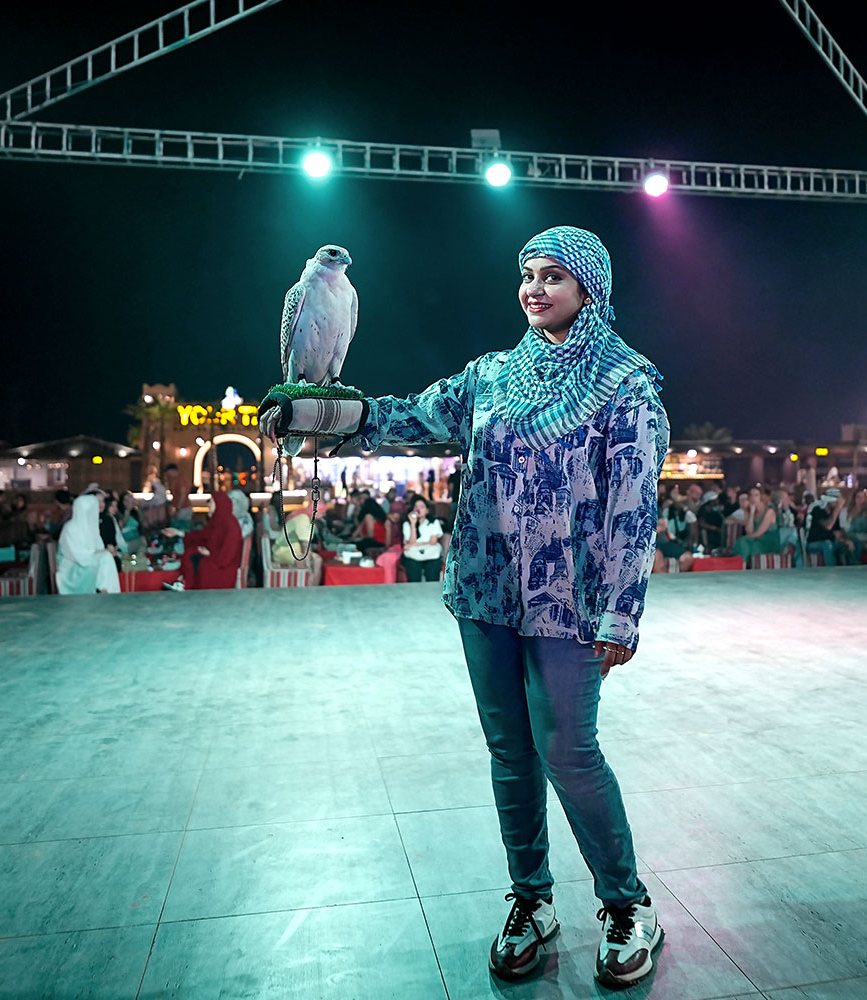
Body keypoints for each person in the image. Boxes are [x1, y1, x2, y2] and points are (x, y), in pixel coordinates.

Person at [266, 227, 666, 988]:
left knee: (570, 755)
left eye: (553, 276)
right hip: (486, 591)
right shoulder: (493, 376)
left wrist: (622, 610)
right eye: (526, 274)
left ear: (590, 289)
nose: (534, 288)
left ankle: (626, 905)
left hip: (570, 603)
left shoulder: (625, 383)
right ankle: (531, 900)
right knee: (510, 754)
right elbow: (410, 417)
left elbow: (633, 506)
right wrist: (314, 414)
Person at [164, 491, 244, 591]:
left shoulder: (230, 524)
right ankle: (185, 583)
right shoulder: (216, 521)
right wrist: (178, 533)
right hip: (213, 556)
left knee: (204, 564)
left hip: (222, 564)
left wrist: (210, 554)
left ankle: (187, 585)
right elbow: (202, 536)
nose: (208, 504)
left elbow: (229, 552)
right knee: (190, 553)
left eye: (211, 501)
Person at [54, 494, 120, 594]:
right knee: (105, 558)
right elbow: (79, 557)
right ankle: (107, 593)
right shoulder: (70, 528)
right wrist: (104, 551)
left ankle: (107, 592)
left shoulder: (91, 527)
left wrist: (107, 551)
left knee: (106, 557)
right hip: (72, 569)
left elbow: (98, 548)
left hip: (88, 562)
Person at [401, 495, 446, 582]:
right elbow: (410, 541)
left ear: (427, 510)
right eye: (416, 507)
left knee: (434, 567)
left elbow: (433, 541)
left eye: (422, 507)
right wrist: (413, 524)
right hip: (414, 556)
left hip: (431, 555)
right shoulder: (407, 524)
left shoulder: (433, 522)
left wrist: (414, 545)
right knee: (412, 565)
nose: (419, 509)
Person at [804, 487, 852, 566]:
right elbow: (828, 525)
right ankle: (831, 571)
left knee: (849, 544)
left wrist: (845, 540)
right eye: (836, 502)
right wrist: (837, 508)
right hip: (814, 543)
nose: (837, 504)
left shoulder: (834, 513)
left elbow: (837, 532)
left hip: (830, 541)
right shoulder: (817, 510)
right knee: (827, 544)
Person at [838, 489, 867, 559]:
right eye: (858, 497)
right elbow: (843, 528)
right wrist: (847, 540)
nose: (860, 499)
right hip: (851, 536)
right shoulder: (846, 511)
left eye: (862, 497)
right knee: (856, 545)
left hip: (865, 537)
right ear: (854, 498)